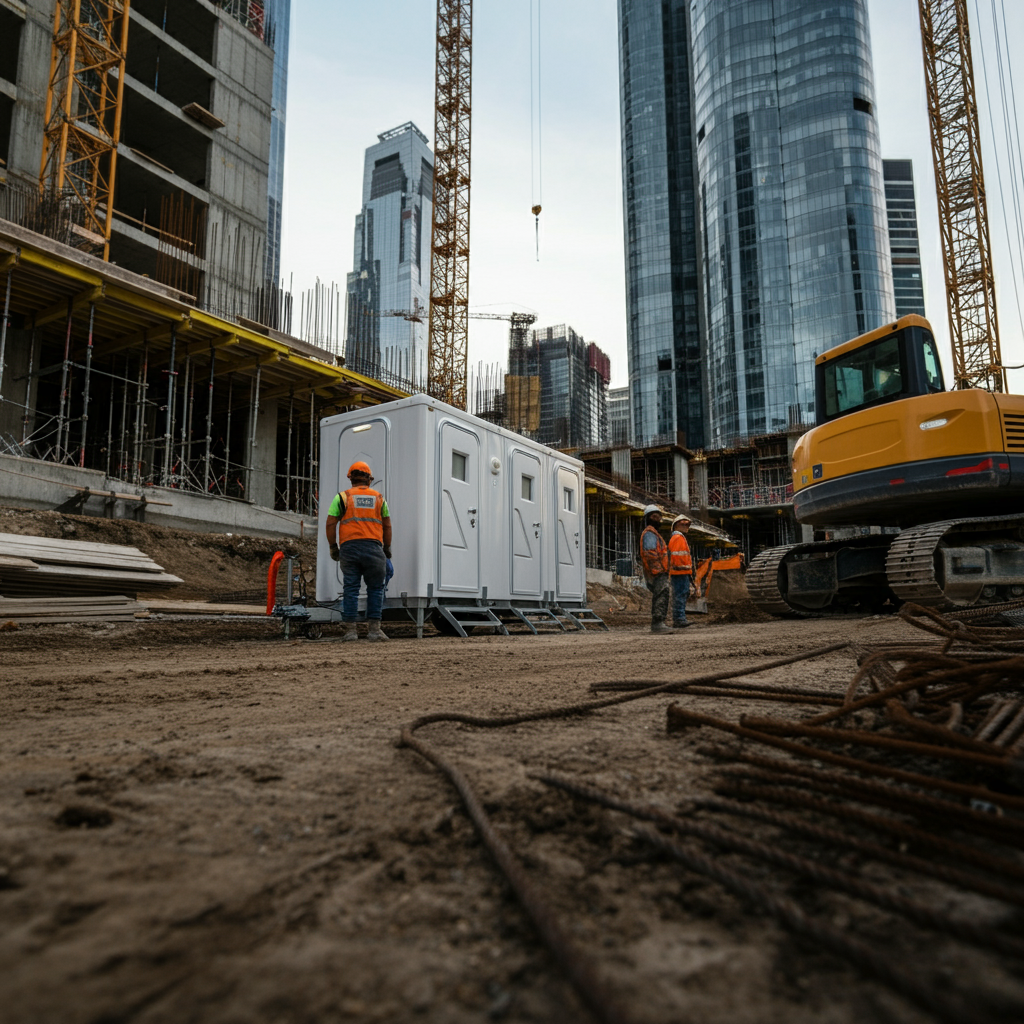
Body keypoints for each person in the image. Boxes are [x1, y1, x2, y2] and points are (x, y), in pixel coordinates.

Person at [325, 461, 392, 642]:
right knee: (376, 589)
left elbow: (331, 523)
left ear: (350, 479)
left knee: (351, 589)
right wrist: (387, 548)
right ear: (369, 480)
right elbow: (387, 525)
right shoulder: (379, 498)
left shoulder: (342, 497)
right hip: (374, 549)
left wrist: (333, 547)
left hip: (349, 549)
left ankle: (350, 632)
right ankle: (374, 630)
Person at [640, 504, 672, 634]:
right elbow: (650, 553)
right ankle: (658, 624)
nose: (657, 519)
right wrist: (657, 570)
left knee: (662, 594)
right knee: (661, 595)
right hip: (657, 571)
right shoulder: (650, 534)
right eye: (654, 517)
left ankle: (659, 623)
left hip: (660, 570)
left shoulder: (654, 534)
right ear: (648, 518)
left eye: (659, 517)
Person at [668, 514, 693, 628]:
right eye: (683, 524)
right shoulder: (678, 538)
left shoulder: (679, 537)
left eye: (687, 524)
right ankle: (679, 618)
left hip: (682, 572)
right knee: (680, 594)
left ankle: (680, 617)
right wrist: (681, 568)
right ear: (676, 525)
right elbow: (676, 556)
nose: (686, 526)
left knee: (681, 594)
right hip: (680, 572)